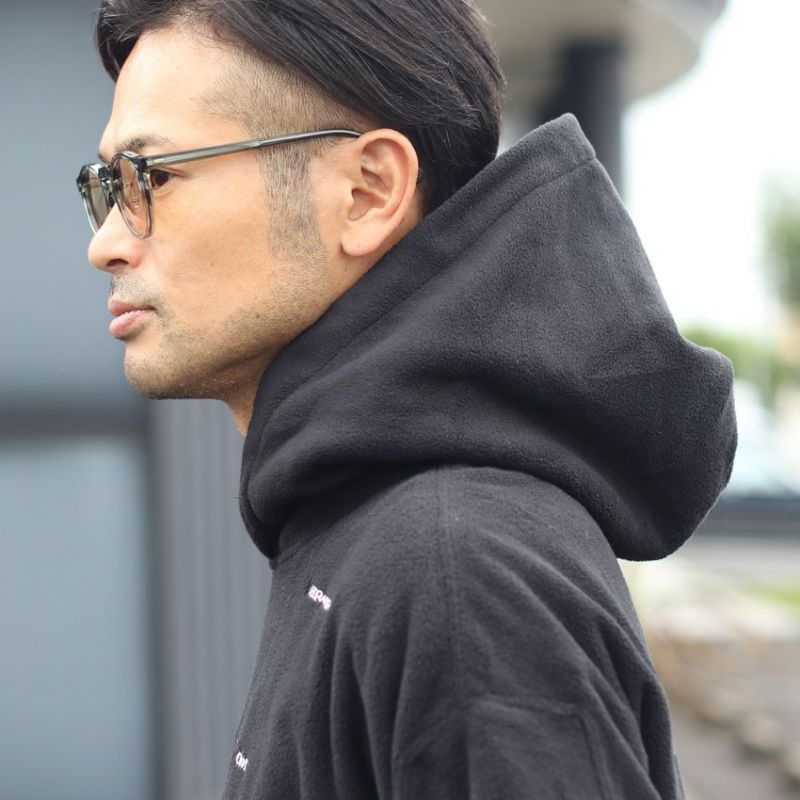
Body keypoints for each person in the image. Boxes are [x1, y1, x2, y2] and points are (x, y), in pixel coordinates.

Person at [78, 1, 736, 798]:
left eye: (151, 178)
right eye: (106, 186)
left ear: (367, 192)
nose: (106, 243)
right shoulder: (366, 521)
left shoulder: (456, 569)